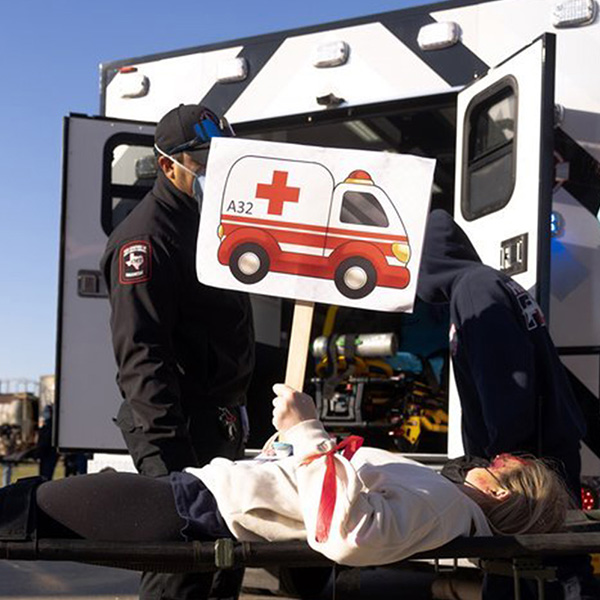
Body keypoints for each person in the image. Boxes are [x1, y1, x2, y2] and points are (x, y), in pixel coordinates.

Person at [0, 384, 572, 569]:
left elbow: (348, 533)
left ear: (501, 490)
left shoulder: (448, 508)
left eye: (502, 464)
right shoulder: (444, 501)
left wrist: (306, 431)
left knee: (29, 509)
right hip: (203, 498)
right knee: (26, 509)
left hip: (200, 508)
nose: (490, 460)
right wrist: (292, 443)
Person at [100, 104, 255, 600]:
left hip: (219, 421)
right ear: (170, 165)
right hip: (174, 426)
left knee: (228, 557)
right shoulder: (145, 239)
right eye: (208, 160)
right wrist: (174, 458)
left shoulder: (212, 225)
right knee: (183, 563)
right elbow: (142, 354)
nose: (220, 172)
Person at [416, 209, 595, 598]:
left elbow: (506, 382)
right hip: (540, 453)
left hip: (526, 465)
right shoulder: (487, 283)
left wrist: (497, 464)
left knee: (527, 572)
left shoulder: (475, 290)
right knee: (553, 566)